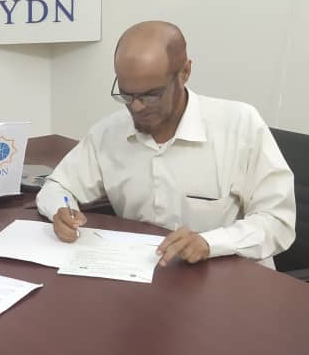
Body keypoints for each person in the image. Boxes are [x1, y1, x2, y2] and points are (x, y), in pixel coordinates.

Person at [37, 21, 296, 267]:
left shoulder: (240, 126)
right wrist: (63, 210)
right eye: (126, 94)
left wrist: (210, 242)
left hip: (229, 278)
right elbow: (58, 185)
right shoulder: (109, 133)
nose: (137, 107)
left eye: (151, 95)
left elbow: (278, 221)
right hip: (142, 273)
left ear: (185, 72)